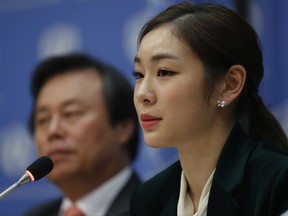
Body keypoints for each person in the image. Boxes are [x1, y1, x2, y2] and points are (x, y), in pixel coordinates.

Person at [130, 2, 288, 216]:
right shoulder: (148, 197)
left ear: (230, 84)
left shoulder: (277, 182)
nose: (142, 94)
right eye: (139, 74)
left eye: (164, 72)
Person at [24, 53, 141, 216]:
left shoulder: (155, 209)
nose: (53, 131)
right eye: (43, 119)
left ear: (123, 127)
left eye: (71, 113)